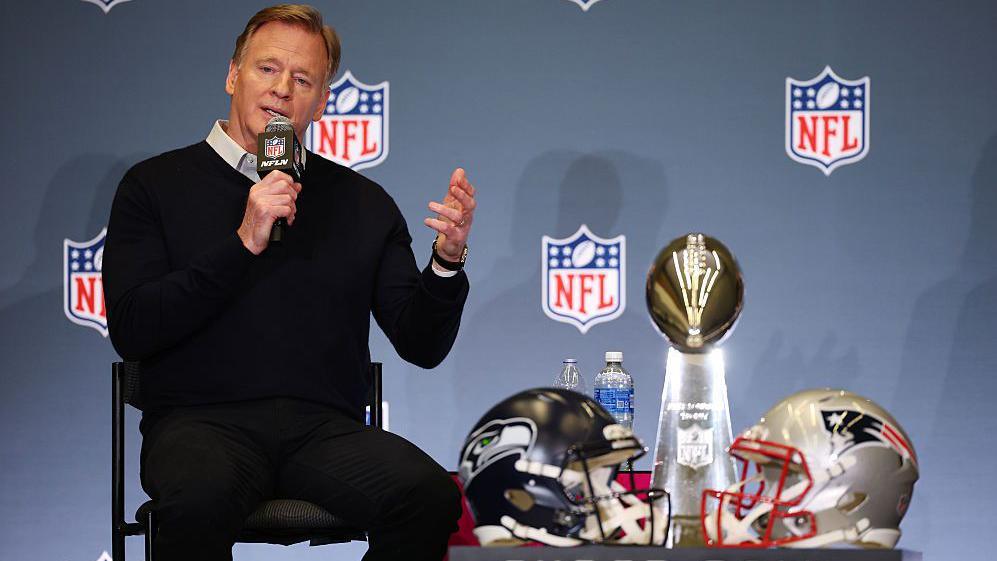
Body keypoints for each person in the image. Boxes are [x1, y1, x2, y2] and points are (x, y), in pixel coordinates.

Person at [102, 5, 476, 561]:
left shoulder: (362, 204)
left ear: (322, 101)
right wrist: (243, 243)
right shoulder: (152, 186)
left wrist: (446, 262)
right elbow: (133, 328)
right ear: (233, 75)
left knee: (427, 497)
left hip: (322, 433)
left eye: (302, 80)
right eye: (266, 69)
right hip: (200, 424)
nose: (281, 90)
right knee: (195, 503)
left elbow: (420, 344)